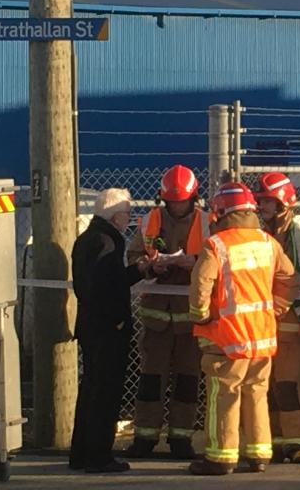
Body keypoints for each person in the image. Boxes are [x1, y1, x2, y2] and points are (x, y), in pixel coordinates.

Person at [187, 182, 300, 476]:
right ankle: (259, 455)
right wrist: (275, 309)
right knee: (257, 394)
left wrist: (200, 317)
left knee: (224, 395)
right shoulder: (268, 243)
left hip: (226, 338)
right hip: (262, 337)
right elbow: (289, 279)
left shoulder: (217, 245)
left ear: (222, 212)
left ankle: (221, 457)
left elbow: (201, 285)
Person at [125, 165, 210, 459]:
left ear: (192, 197)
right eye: (171, 201)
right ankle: (145, 437)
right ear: (163, 198)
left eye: (181, 201)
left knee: (188, 379)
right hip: (156, 318)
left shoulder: (207, 222)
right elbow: (134, 256)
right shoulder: (150, 220)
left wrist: (194, 262)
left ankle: (181, 438)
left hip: (191, 320)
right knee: (151, 379)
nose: (176, 206)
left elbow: (217, 259)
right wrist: (151, 266)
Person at [69, 188, 150, 473]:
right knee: (106, 394)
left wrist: (138, 270)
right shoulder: (108, 243)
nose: (129, 219)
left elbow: (102, 283)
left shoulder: (88, 239)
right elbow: (104, 289)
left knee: (91, 390)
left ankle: (80, 453)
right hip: (107, 331)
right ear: (117, 216)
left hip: (91, 327)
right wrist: (117, 320)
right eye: (128, 213)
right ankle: (99, 456)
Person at [253, 172, 300, 464]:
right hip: (261, 328)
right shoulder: (258, 239)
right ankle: (272, 441)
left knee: (288, 384)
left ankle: (297, 443)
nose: (263, 208)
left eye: (268, 202)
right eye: (261, 202)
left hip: (294, 329)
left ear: (284, 203)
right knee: (267, 387)